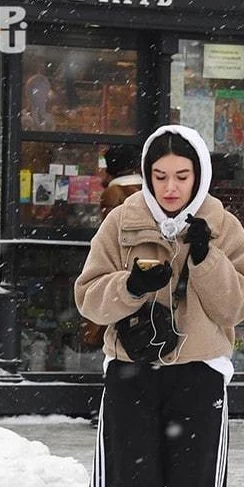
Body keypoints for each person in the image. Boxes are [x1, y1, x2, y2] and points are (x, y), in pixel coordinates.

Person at [74, 125, 244, 487]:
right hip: (133, 373)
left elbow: (239, 306)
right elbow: (88, 298)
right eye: (160, 176)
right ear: (147, 176)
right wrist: (131, 285)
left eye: (182, 176)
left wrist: (205, 259)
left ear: (198, 176)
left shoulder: (221, 225)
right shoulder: (122, 220)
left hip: (199, 376)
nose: (171, 187)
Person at [80, 146, 144, 350]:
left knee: (110, 312)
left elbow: (109, 232)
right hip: (146, 264)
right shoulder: (150, 192)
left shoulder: (113, 193)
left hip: (120, 265)